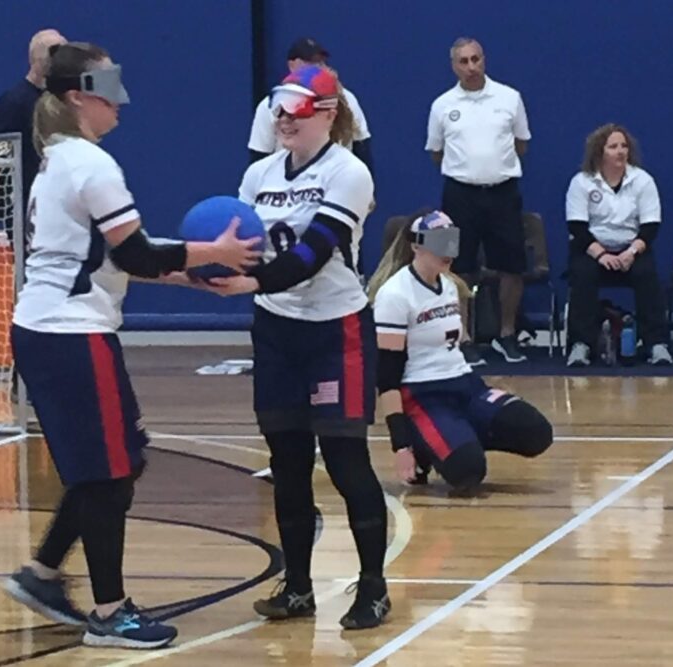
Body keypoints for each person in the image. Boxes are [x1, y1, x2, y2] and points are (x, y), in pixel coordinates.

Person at [2, 42, 261, 650]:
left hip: (53, 331)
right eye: (110, 83)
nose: (122, 96)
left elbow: (111, 258)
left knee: (121, 462)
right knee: (109, 475)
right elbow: (136, 253)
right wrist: (215, 255)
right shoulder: (91, 166)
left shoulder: (62, 161)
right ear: (78, 95)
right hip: (69, 337)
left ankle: (41, 575)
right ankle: (110, 612)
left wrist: (193, 275)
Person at [209, 65, 390, 630]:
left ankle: (374, 588)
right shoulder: (258, 174)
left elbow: (312, 254)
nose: (283, 117)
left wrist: (254, 281)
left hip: (336, 332)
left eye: (297, 108)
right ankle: (299, 588)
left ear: (328, 113)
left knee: (345, 461)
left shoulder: (349, 172)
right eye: (279, 108)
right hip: (277, 331)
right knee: (286, 464)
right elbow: (244, 248)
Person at [368, 211, 553, 496]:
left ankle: (455, 436)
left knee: (536, 432)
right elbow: (388, 378)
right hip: (424, 396)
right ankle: (425, 446)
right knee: (468, 472)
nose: (448, 251)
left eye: (451, 241)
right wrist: (400, 444)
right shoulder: (395, 295)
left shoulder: (451, 286)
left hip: (465, 386)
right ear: (416, 246)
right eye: (439, 242)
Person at [425, 37, 531, 365]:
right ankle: (464, 337)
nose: (471, 67)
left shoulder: (509, 98)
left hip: (503, 191)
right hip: (460, 194)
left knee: (512, 267)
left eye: (476, 59)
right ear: (453, 66)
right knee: (458, 267)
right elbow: (436, 152)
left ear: (484, 60)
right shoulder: (442, 105)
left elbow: (521, 144)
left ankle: (507, 334)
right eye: (463, 62)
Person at [565, 124, 672, 367]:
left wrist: (631, 252)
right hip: (593, 248)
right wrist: (601, 254)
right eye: (613, 147)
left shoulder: (642, 180)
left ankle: (656, 343)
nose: (620, 151)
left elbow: (650, 225)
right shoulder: (582, 182)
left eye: (624, 146)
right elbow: (577, 227)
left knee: (647, 275)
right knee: (582, 275)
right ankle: (581, 344)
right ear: (599, 151)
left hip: (631, 247)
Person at [0, 28, 67, 245]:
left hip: (57, 203)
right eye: (54, 51)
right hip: (24, 208)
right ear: (35, 57)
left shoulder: (60, 101)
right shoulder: (14, 102)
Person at [248, 38, 373, 174]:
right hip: (286, 186)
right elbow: (259, 154)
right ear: (292, 65)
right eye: (309, 63)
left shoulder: (347, 98)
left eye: (320, 62)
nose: (317, 67)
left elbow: (361, 145)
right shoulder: (268, 105)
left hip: (338, 177)